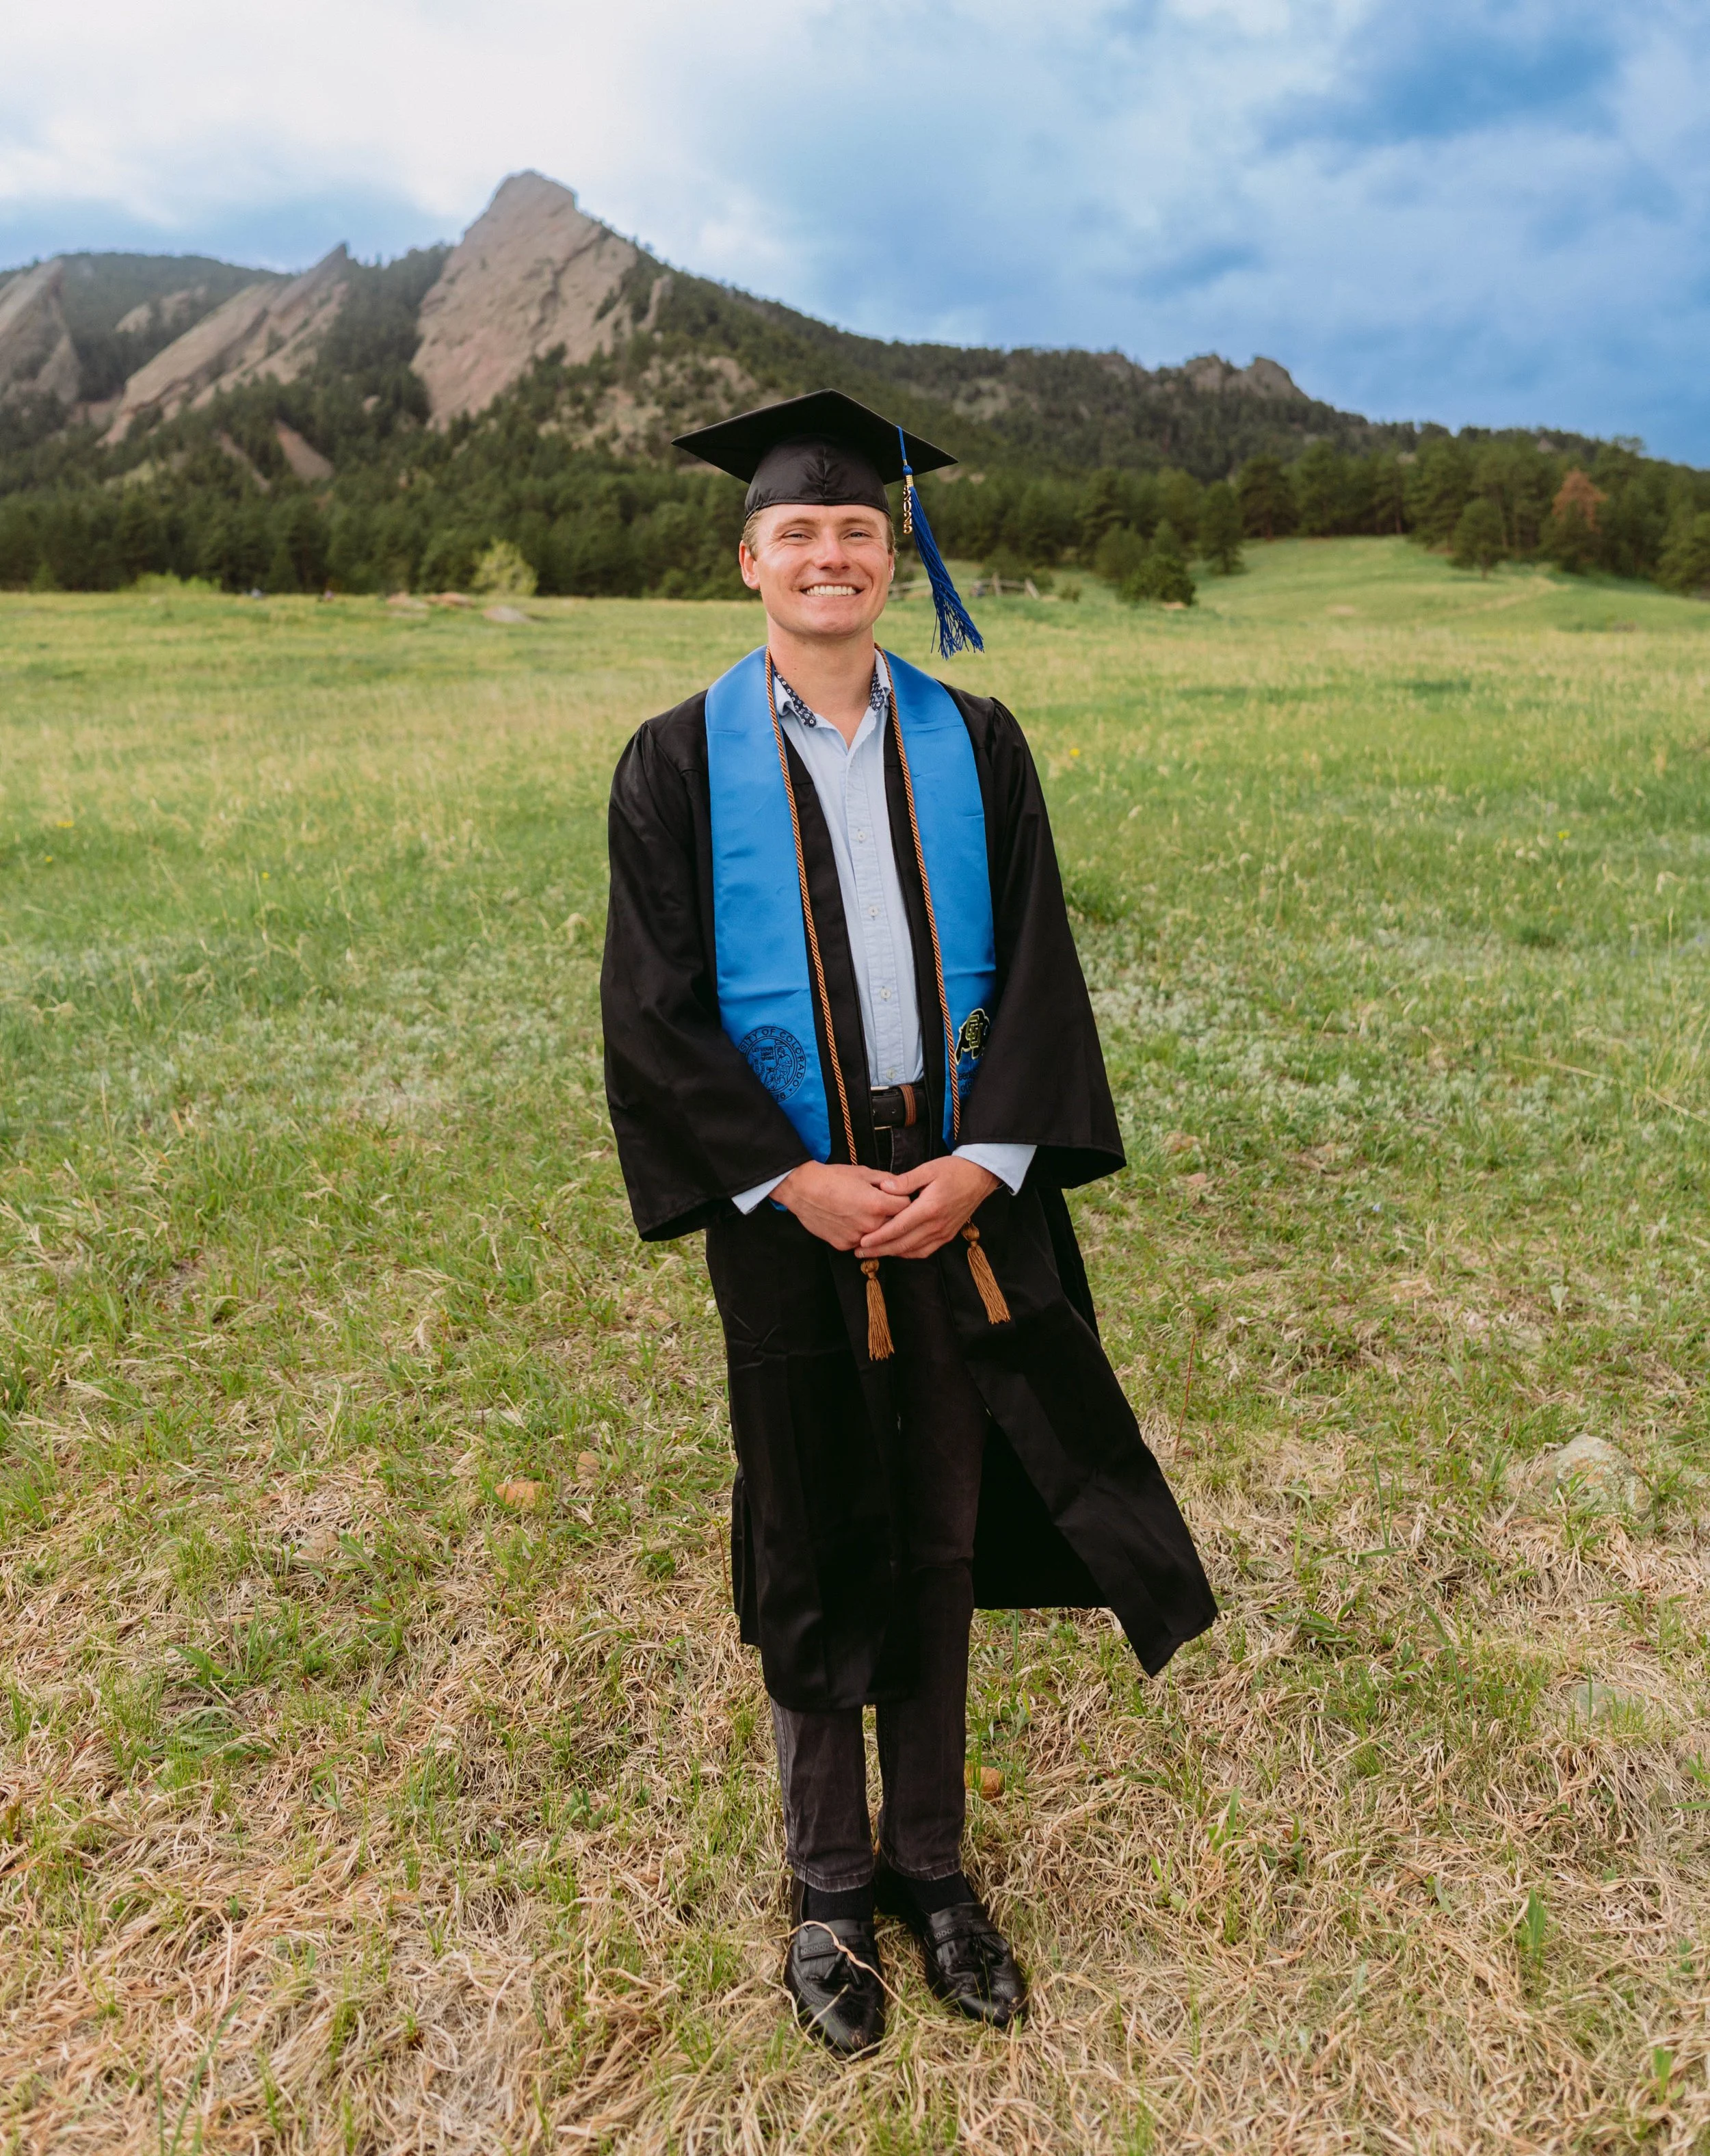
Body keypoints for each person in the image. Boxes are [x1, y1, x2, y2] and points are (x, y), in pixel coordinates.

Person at [600, 390, 1215, 2058]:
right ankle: (822, 1890)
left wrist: (988, 1158)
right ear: (746, 562)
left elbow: (1038, 960)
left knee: (941, 1519)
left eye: (855, 531)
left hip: (955, 1190)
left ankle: (933, 1874)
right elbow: (652, 1009)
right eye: (795, 531)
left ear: (894, 557)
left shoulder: (976, 739)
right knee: (810, 1519)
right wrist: (787, 1176)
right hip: (785, 1202)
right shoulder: (673, 761)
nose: (827, 554)